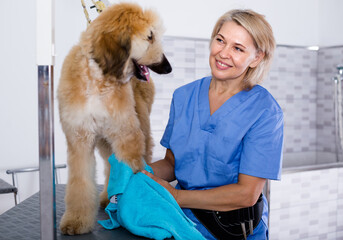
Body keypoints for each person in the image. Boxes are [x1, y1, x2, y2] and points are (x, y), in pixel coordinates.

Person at [142, 9, 283, 240]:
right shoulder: (183, 96)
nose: (223, 53)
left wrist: (177, 197)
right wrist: (140, 172)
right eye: (220, 40)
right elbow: (171, 163)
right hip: (182, 225)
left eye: (237, 48)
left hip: (235, 230)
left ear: (256, 58)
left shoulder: (265, 111)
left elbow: (246, 194)